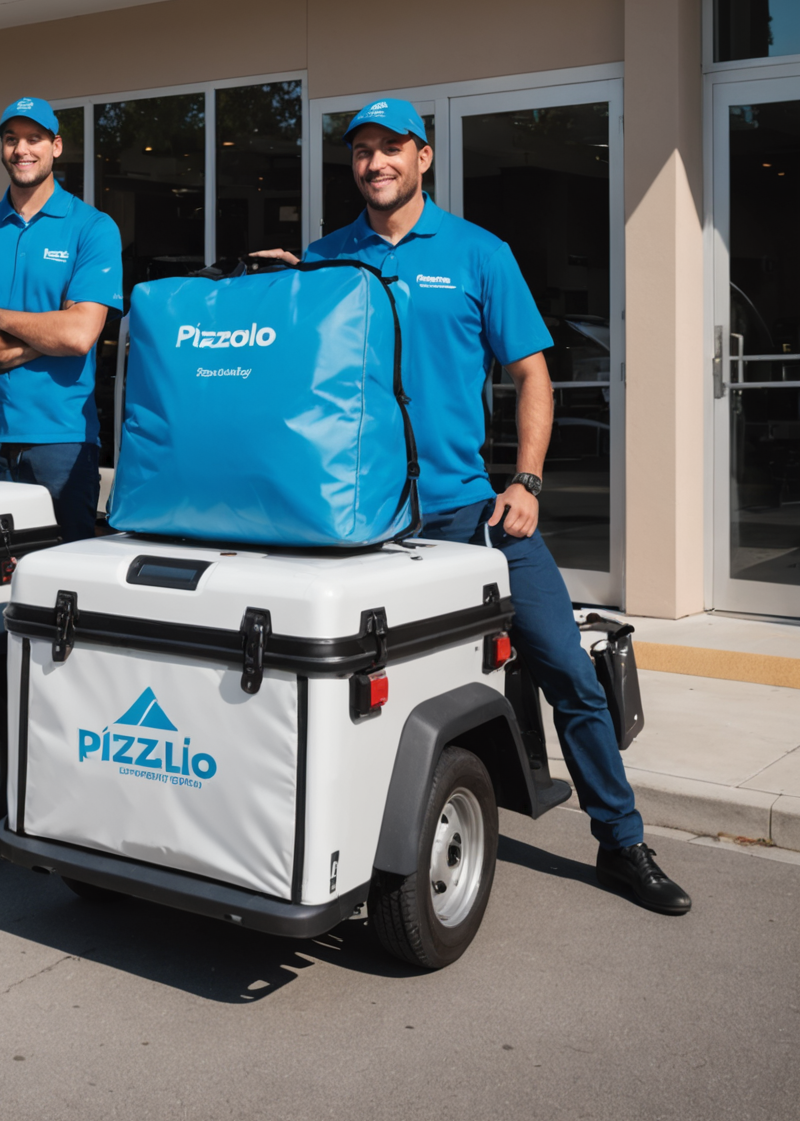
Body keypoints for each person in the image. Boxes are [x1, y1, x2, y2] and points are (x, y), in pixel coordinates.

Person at [258, 96, 690, 915]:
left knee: (568, 669)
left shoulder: (477, 254)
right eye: (362, 151)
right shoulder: (325, 258)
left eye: (391, 149)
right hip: (355, 521)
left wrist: (524, 483)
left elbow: (533, 374)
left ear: (424, 158)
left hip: (468, 515)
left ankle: (623, 840)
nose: (374, 164)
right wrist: (281, 300)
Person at [0, 97, 123, 542]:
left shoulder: (92, 228)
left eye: (34, 138)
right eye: (11, 139)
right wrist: (50, 330)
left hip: (61, 440)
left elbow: (79, 336)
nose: (22, 149)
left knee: (63, 588)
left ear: (56, 146)